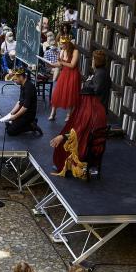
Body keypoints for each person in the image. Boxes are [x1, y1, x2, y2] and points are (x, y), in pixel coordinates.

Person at [50, 49, 109, 179]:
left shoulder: (99, 76)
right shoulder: (100, 73)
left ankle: (69, 163)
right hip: (94, 112)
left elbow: (78, 130)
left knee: (73, 134)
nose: (92, 62)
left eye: (93, 60)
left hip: (92, 115)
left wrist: (63, 137)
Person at [49, 35, 81, 122]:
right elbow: (60, 64)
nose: (61, 45)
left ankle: (69, 114)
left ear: (67, 43)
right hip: (64, 74)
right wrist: (52, 64)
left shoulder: (75, 51)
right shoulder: (62, 51)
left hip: (73, 74)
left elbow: (72, 65)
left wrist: (61, 62)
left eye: (63, 44)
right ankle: (53, 112)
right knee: (58, 92)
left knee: (71, 93)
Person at [5, 67, 43, 137]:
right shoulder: (22, 85)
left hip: (28, 114)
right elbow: (19, 101)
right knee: (7, 123)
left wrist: (15, 116)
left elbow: (25, 107)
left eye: (15, 79)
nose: (15, 81)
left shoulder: (29, 87)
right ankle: (30, 123)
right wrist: (11, 113)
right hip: (23, 111)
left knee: (10, 131)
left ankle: (31, 126)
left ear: (21, 77)